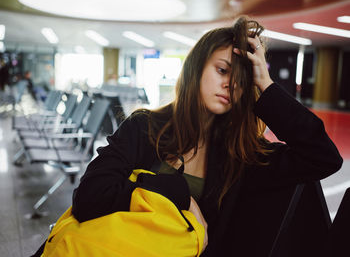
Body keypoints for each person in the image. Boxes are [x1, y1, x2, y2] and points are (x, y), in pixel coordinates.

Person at [71, 16, 342, 256]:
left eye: (241, 80)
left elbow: (323, 157)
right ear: (196, 68)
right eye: (222, 70)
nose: (230, 84)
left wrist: (265, 84)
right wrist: (181, 196)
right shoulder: (145, 127)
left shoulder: (242, 155)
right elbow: (89, 198)